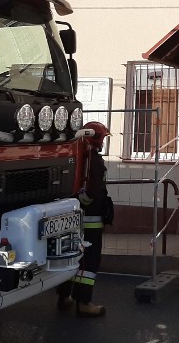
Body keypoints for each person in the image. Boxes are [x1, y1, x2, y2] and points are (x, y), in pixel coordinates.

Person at [57, 121, 110, 317]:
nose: (104, 141)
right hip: (91, 218)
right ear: (97, 139)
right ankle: (84, 302)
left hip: (71, 216)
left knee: (69, 256)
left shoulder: (75, 154)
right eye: (103, 137)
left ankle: (64, 297)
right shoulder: (94, 160)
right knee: (89, 260)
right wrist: (85, 202)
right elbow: (94, 190)